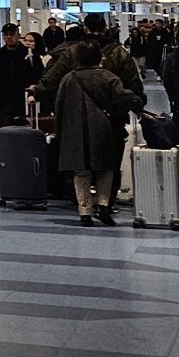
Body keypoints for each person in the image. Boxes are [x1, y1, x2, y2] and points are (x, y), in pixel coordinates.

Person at [52, 45, 132, 225]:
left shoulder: (68, 79)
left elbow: (59, 107)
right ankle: (103, 206)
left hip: (75, 132)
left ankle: (85, 212)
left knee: (81, 172)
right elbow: (123, 99)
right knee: (106, 169)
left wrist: (60, 133)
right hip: (104, 130)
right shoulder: (109, 77)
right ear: (98, 57)